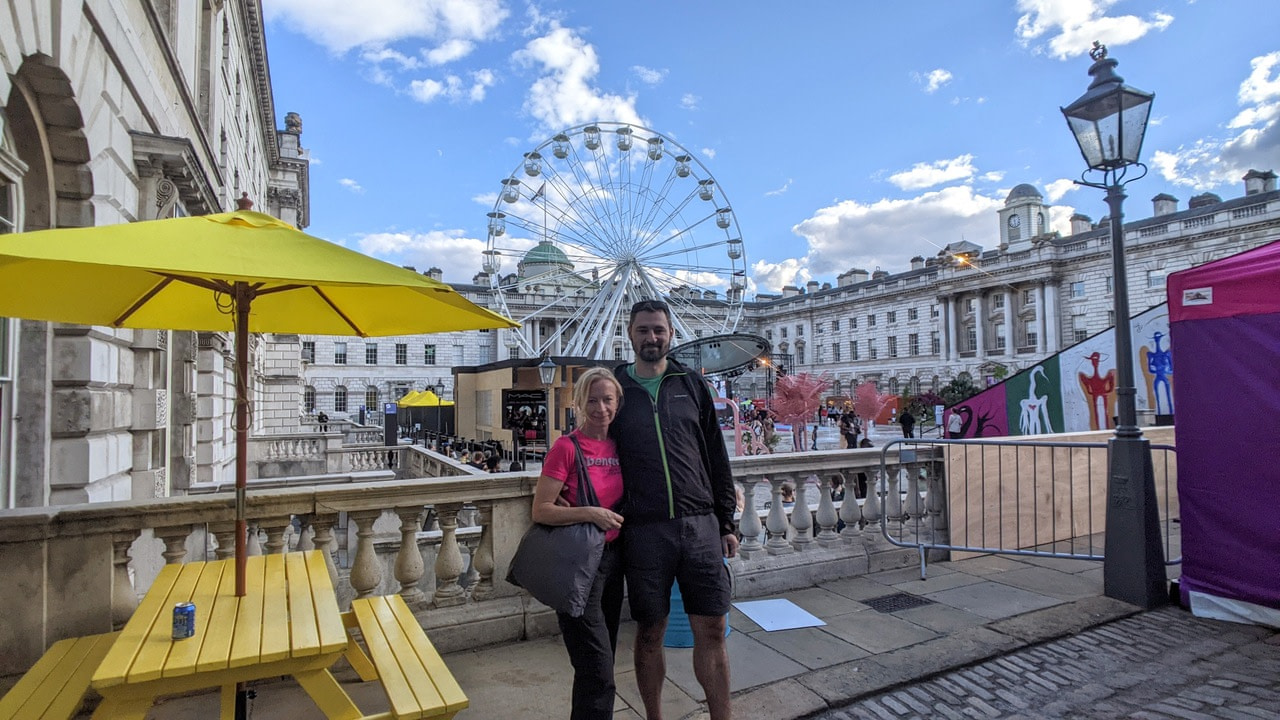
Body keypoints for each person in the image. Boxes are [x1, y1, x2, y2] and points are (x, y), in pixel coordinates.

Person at [611, 299, 736, 720]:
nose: (652, 337)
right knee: (650, 631)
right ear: (629, 334)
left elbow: (715, 455)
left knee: (713, 628)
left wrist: (727, 520)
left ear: (670, 334)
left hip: (700, 524)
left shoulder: (691, 383)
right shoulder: (615, 388)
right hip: (643, 530)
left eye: (659, 330)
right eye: (643, 330)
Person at [530, 367, 626, 720]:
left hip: (613, 562)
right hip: (578, 566)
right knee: (597, 670)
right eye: (592, 400)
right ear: (580, 403)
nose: (601, 408)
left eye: (607, 399)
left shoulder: (622, 444)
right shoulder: (566, 448)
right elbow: (541, 510)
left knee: (599, 664)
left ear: (618, 402)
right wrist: (590, 513)